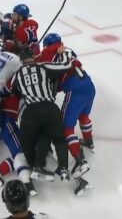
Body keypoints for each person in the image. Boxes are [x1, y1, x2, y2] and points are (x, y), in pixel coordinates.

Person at [8, 47, 71, 182]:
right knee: (57, 137)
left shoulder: (17, 74)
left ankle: (36, 166)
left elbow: (11, 90)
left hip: (31, 112)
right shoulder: (43, 66)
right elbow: (66, 65)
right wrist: (63, 53)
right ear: (34, 56)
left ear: (21, 59)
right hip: (50, 109)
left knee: (27, 143)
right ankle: (63, 168)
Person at [37, 33, 95, 178]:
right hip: (89, 85)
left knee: (66, 127)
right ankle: (88, 141)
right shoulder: (67, 49)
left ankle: (79, 160)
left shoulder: (47, 52)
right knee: (84, 116)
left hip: (75, 91)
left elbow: (41, 64)